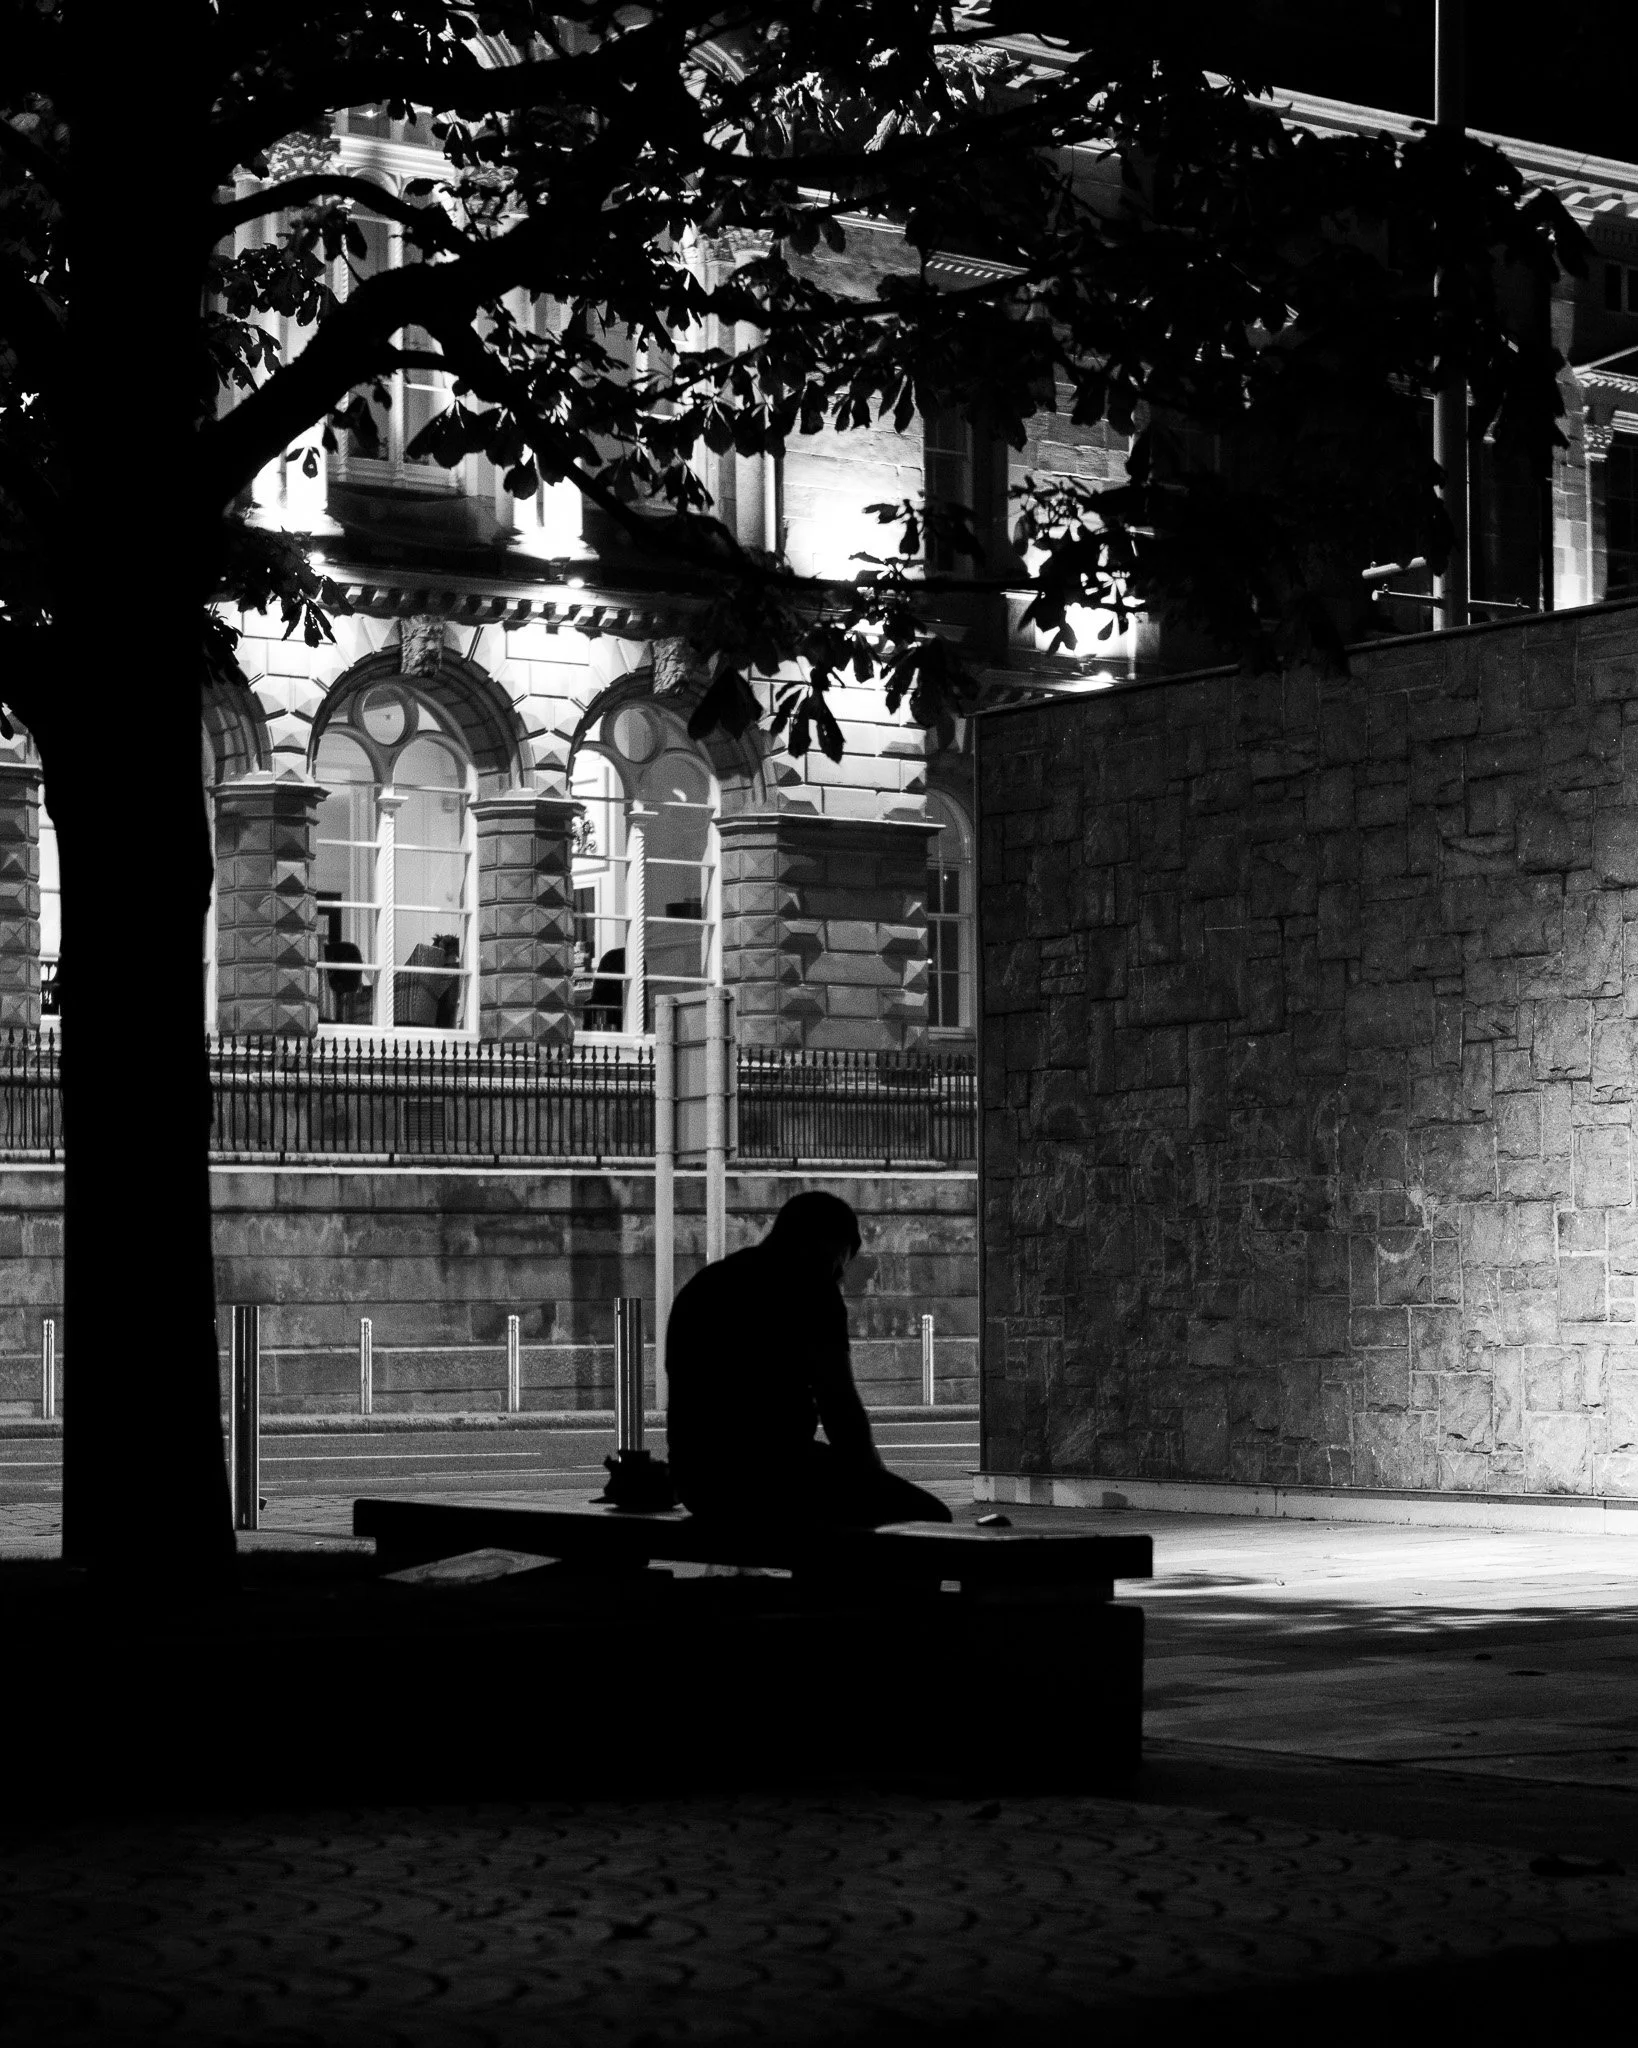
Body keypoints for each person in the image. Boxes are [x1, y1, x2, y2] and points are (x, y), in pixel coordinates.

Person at [664, 1190, 952, 1527]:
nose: (839, 1276)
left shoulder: (706, 1284)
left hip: (698, 1481)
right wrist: (873, 1477)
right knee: (928, 1517)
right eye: (840, 1263)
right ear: (827, 1244)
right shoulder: (811, 1288)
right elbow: (839, 1405)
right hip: (777, 1472)